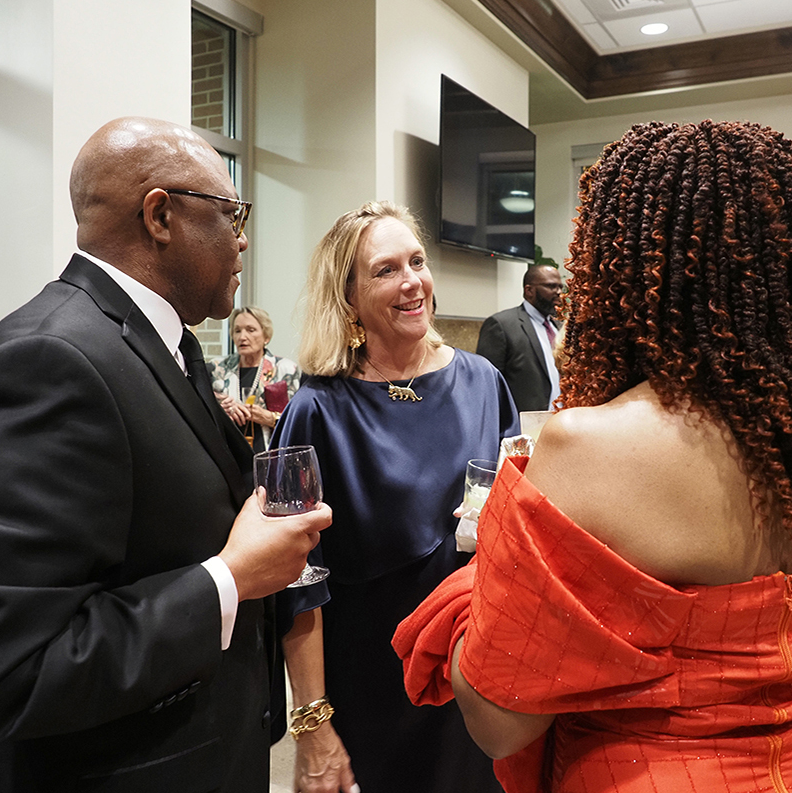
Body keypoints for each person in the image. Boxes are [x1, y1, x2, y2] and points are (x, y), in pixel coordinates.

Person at [394, 121, 792, 793]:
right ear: (788, 262)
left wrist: (485, 581)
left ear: (614, 267)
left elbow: (500, 721)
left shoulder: (584, 448)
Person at [0, 117, 330, 792]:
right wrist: (229, 578)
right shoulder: (48, 360)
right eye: (231, 212)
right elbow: (2, 675)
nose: (243, 236)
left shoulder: (168, 346)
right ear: (161, 215)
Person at [272, 201, 519, 793]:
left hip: (477, 682)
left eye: (417, 261)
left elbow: (523, 515)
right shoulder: (315, 410)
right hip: (373, 689)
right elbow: (293, 579)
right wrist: (312, 722)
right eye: (386, 270)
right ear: (348, 298)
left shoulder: (484, 381)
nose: (412, 282)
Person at [211, 306, 301, 450]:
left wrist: (269, 418)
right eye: (237, 331)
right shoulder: (217, 369)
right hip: (229, 453)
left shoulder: (286, 369)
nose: (242, 337)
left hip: (270, 453)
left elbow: (298, 422)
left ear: (266, 337)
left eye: (250, 330)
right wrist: (221, 411)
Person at [476, 264, 564, 411]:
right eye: (551, 286)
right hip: (523, 424)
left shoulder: (559, 326)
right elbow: (487, 385)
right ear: (529, 290)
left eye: (560, 287)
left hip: (561, 419)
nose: (559, 292)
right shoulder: (502, 325)